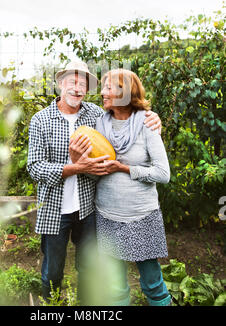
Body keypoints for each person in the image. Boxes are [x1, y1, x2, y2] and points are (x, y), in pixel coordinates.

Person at [27, 61, 162, 303]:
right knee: (52, 272)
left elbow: (128, 113)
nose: (77, 88)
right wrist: (74, 168)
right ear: (60, 84)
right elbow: (35, 168)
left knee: (89, 269)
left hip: (89, 209)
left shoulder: (96, 115)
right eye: (72, 82)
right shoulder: (41, 119)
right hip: (54, 209)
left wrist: (153, 118)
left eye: (83, 84)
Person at [70, 68, 171, 306]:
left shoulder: (147, 122)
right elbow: (97, 174)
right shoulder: (99, 124)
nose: (102, 92)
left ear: (125, 93)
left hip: (141, 216)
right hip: (107, 216)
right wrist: (80, 164)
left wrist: (124, 169)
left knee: (152, 283)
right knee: (116, 289)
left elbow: (163, 174)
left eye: (108, 88)